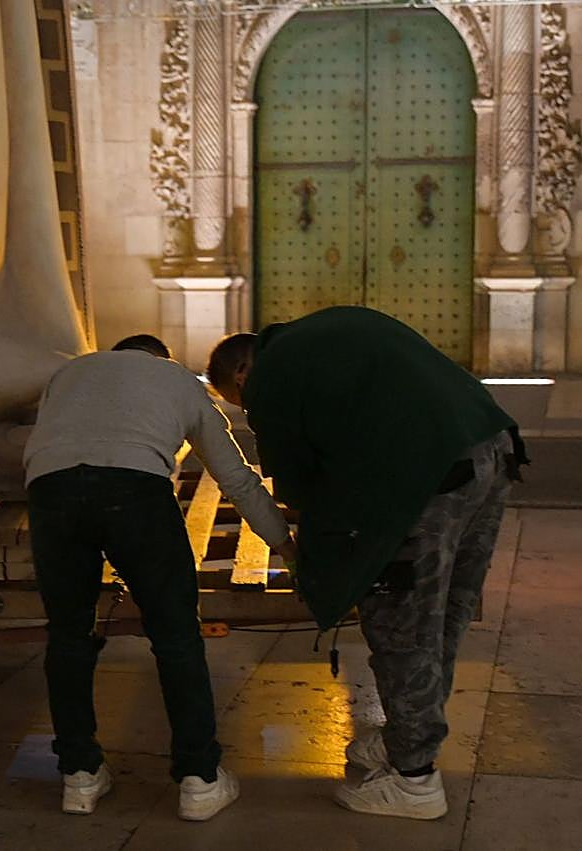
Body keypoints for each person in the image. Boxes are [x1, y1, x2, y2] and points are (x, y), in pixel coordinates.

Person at [205, 306, 526, 821]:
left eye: (241, 404)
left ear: (241, 374)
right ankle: (406, 736)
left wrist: (320, 570)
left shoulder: (274, 376)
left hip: (427, 478)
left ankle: (414, 779)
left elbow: (300, 491)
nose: (250, 412)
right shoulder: (330, 331)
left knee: (400, 624)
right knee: (443, 614)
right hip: (492, 450)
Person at [23, 333, 296, 820]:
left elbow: (50, 441)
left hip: (51, 493)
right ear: (161, 358)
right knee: (176, 638)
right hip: (135, 493)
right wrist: (284, 545)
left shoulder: (69, 374)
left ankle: (79, 777)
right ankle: (199, 780)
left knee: (68, 636)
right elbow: (234, 476)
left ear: (118, 352)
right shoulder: (175, 378)